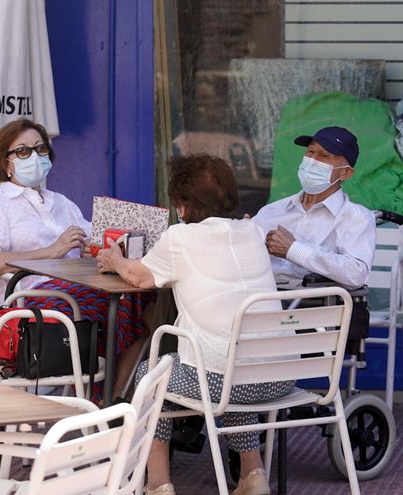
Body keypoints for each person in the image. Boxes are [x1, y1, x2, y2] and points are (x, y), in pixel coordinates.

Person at [98, 154, 289, 495]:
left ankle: (158, 484)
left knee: (152, 375)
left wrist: (115, 259)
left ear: (183, 207)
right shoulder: (252, 231)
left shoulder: (180, 238)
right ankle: (253, 474)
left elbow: (137, 277)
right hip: (278, 379)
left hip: (227, 383)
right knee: (226, 364)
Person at [0, 118, 146, 394]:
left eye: (40, 149)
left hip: (72, 292)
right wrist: (52, 252)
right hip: (30, 301)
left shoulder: (60, 203)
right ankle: (103, 402)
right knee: (120, 308)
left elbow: (93, 236)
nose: (34, 156)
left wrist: (91, 248)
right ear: (6, 162)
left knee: (139, 298)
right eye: (23, 151)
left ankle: (110, 400)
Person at [252, 126, 376, 290]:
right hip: (259, 297)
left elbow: (356, 273)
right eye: (310, 152)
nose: (313, 160)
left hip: (313, 307)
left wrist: (294, 249)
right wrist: (243, 235)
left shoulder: (355, 218)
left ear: (345, 173)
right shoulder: (273, 210)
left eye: (324, 156)